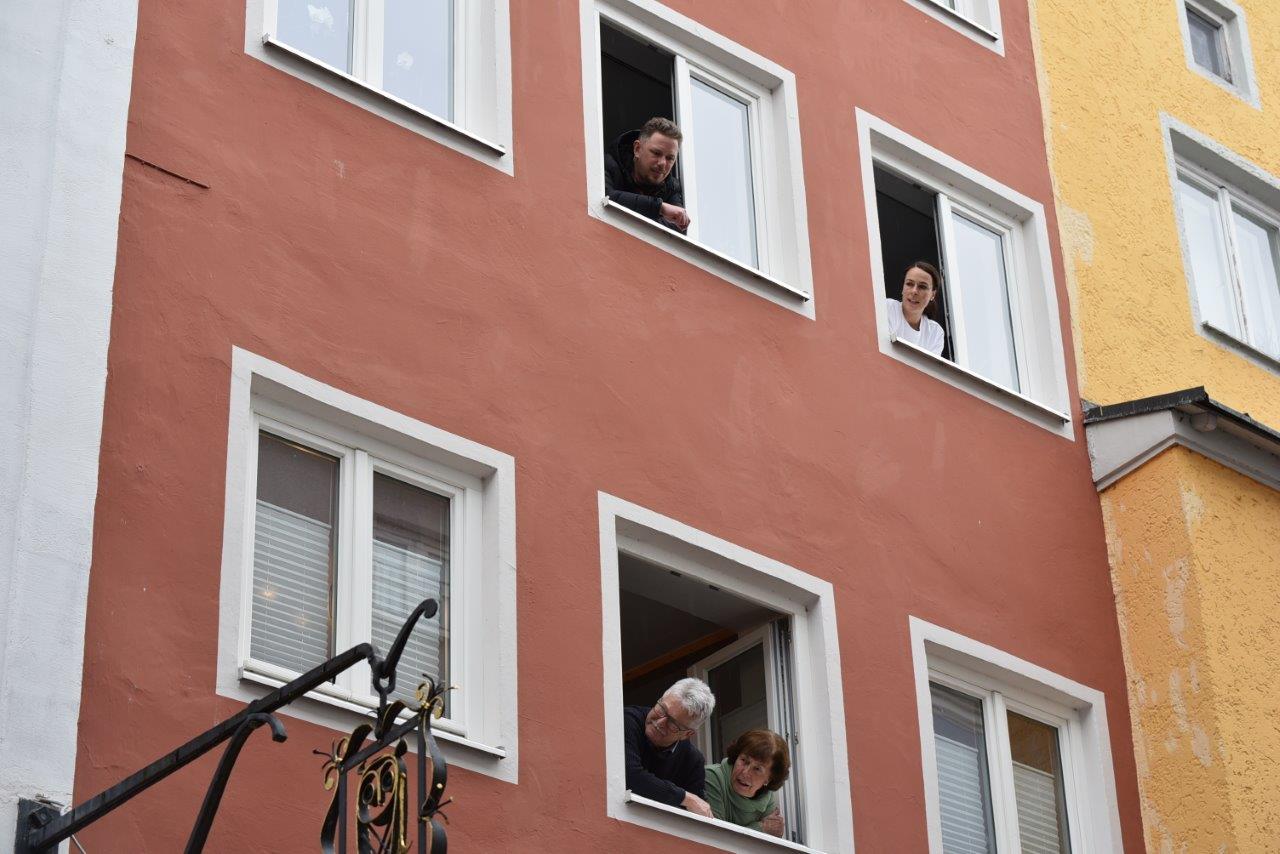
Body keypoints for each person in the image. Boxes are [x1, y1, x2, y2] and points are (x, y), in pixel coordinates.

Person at [624, 678, 716, 817]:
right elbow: (630, 776)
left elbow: (698, 813)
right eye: (662, 709)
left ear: (687, 734)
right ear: (660, 699)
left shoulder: (693, 760)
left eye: (673, 723)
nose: (660, 722)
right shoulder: (628, 720)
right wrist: (684, 797)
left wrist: (688, 800)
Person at [604, 117, 691, 234]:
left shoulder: (672, 187)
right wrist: (660, 208)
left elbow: (678, 229)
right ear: (637, 149)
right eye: (656, 153)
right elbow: (604, 198)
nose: (662, 163)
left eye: (670, 158)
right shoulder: (608, 164)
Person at [704, 729, 791, 838]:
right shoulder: (711, 777)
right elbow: (716, 839)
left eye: (757, 769)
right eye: (744, 760)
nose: (745, 772)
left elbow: (770, 842)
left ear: (769, 779)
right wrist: (761, 828)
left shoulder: (767, 798)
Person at [886, 261, 946, 356]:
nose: (914, 291)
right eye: (909, 284)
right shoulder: (888, 308)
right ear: (903, 288)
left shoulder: (935, 332)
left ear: (933, 295)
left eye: (922, 287)